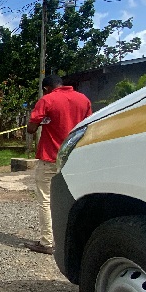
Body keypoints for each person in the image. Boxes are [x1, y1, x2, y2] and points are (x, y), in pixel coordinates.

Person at [25, 74, 92, 255]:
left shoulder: (47, 100)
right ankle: (79, 242)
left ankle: (47, 242)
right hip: (75, 158)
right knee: (76, 198)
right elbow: (88, 126)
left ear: (46, 88)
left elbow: (31, 128)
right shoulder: (83, 99)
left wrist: (42, 123)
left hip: (50, 158)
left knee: (45, 199)